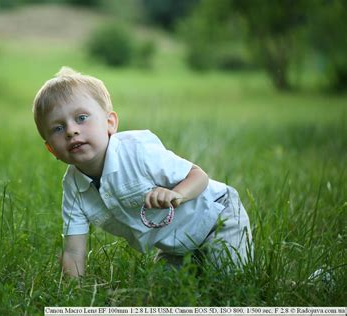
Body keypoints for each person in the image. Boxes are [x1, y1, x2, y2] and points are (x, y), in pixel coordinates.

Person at [32, 67, 252, 277]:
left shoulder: (137, 151)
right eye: (58, 128)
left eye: (81, 118)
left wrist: (177, 194)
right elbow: (73, 252)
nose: (71, 130)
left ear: (110, 123)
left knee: (226, 279)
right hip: (176, 248)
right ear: (51, 149)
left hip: (218, 216)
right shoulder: (73, 187)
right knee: (162, 292)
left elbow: (199, 176)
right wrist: (74, 295)